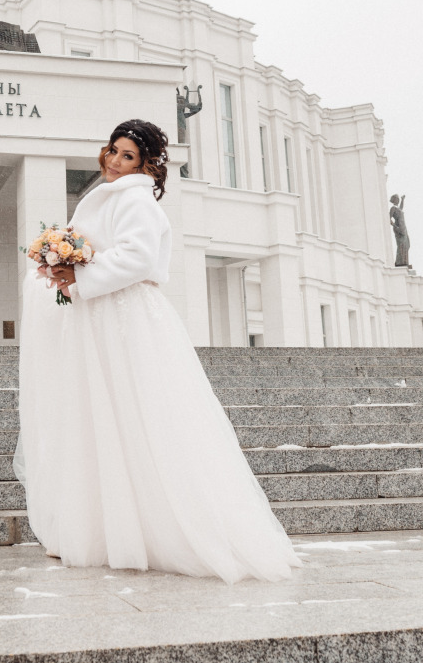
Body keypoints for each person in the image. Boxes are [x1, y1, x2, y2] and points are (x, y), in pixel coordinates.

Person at [15, 120, 301, 584]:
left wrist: (78, 275)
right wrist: (61, 265)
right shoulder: (113, 194)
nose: (113, 160)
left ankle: (148, 532)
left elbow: (140, 258)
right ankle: (102, 530)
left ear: (145, 164)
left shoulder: (135, 198)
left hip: (122, 317)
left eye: (126, 156)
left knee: (134, 415)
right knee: (98, 418)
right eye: (112, 150)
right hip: (98, 316)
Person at [389, 194, 411, 268]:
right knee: (401, 245)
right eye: (397, 198)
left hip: (403, 229)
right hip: (398, 228)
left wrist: (402, 200)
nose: (398, 200)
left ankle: (404, 261)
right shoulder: (393, 208)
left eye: (398, 199)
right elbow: (388, 217)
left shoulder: (398, 208)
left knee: (406, 245)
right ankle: (400, 263)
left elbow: (401, 208)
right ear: (394, 199)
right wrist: (394, 225)